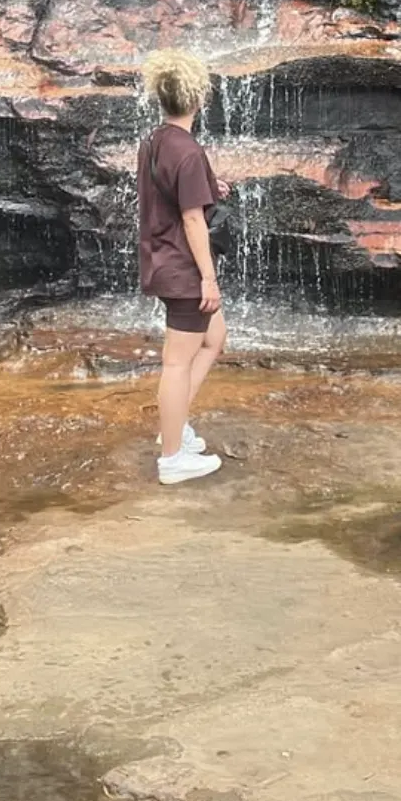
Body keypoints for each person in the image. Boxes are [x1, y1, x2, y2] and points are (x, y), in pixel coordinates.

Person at [137, 49, 229, 485]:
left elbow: (171, 190)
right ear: (199, 98)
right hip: (184, 266)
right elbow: (193, 218)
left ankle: (175, 427)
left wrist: (212, 186)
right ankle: (172, 458)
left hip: (162, 256)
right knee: (177, 363)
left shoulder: (156, 140)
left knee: (215, 339)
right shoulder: (189, 152)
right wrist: (208, 278)